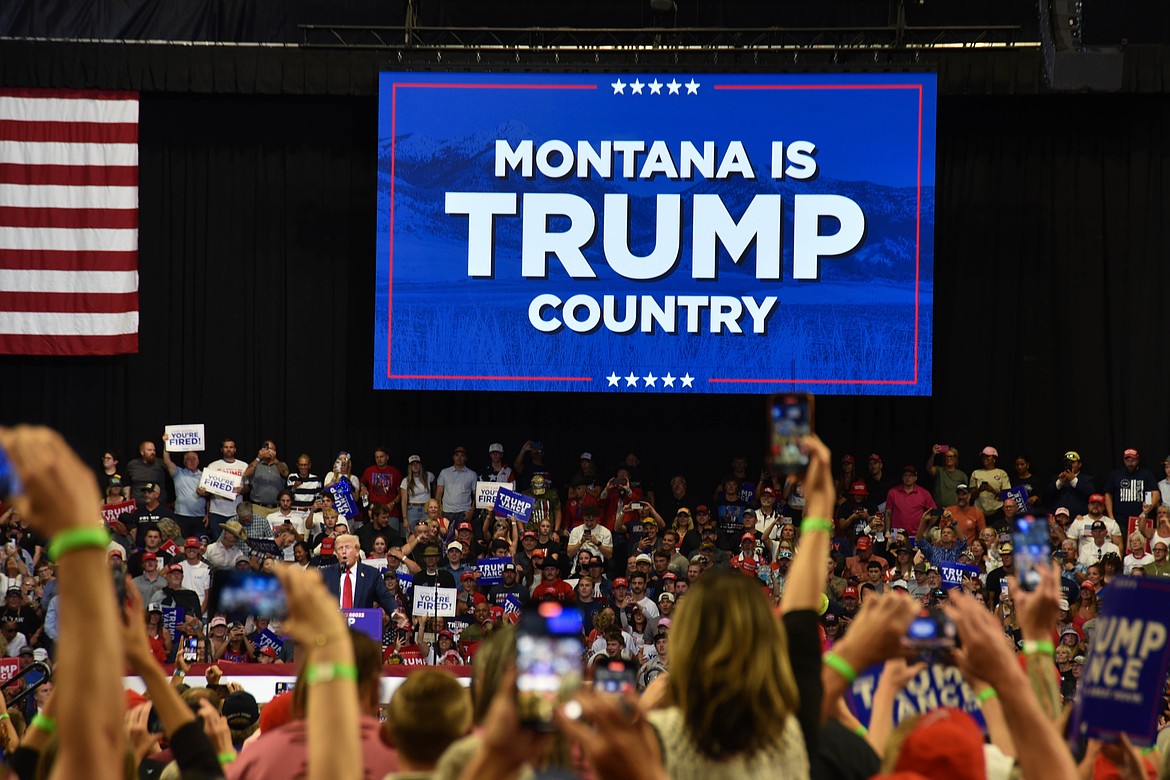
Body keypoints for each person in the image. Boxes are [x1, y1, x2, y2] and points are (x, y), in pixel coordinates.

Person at [320, 534, 397, 611]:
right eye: (340, 548)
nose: (344, 551)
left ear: (357, 551)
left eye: (347, 547)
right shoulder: (325, 574)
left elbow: (385, 597)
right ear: (336, 554)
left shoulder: (371, 574)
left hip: (361, 621)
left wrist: (395, 612)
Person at [202, 439, 247, 539]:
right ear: (222, 449)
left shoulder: (243, 466)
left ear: (235, 449)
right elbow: (207, 491)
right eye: (226, 447)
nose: (228, 449)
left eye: (231, 447)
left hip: (236, 511)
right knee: (217, 541)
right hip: (217, 511)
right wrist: (203, 492)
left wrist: (242, 490)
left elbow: (248, 488)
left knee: (235, 540)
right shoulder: (213, 466)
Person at [162, 446, 206, 539]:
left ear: (198, 461)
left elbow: (211, 496)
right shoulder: (178, 473)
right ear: (184, 462)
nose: (192, 461)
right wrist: (166, 443)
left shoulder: (205, 475)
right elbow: (166, 461)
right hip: (181, 516)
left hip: (200, 517)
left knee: (199, 544)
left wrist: (205, 494)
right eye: (188, 459)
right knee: (181, 543)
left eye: (194, 459)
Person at [437, 445, 478, 527]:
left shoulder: (472, 474)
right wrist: (439, 511)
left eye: (462, 455)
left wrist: (471, 512)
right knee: (447, 538)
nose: (459, 458)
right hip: (447, 511)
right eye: (457, 455)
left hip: (464, 512)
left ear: (466, 458)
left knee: (463, 537)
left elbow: (476, 495)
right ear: (453, 457)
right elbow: (438, 494)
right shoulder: (444, 472)